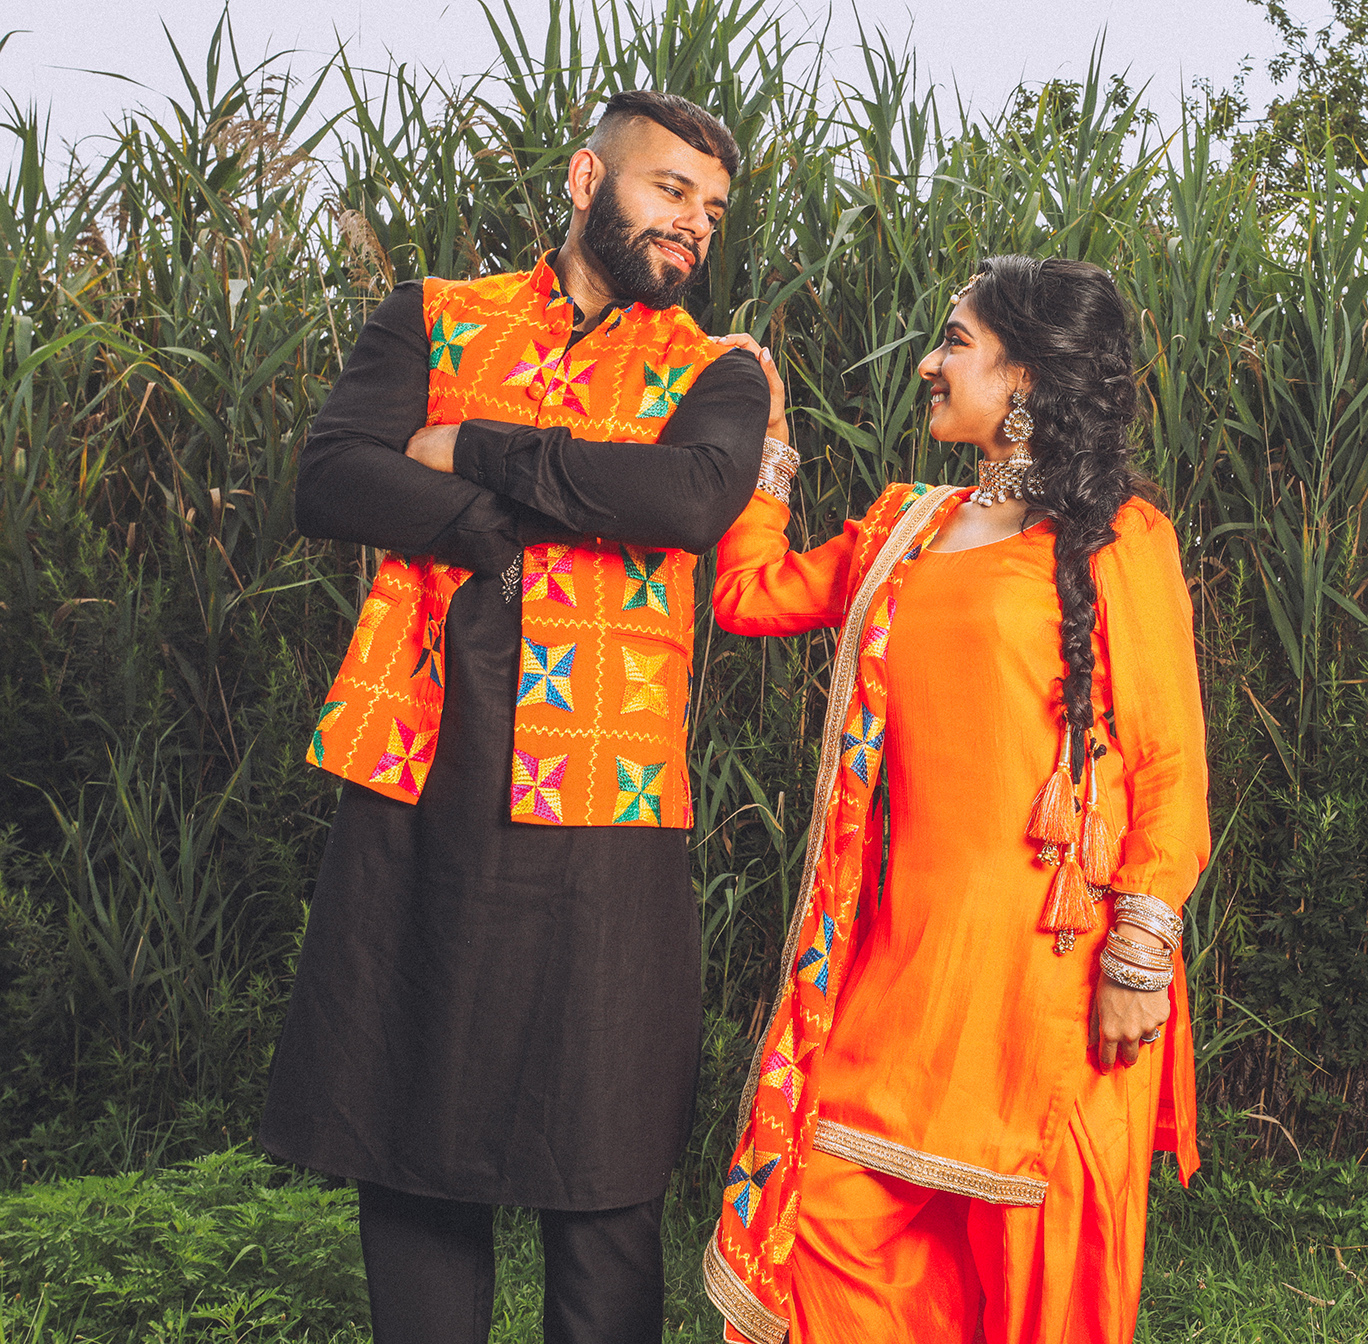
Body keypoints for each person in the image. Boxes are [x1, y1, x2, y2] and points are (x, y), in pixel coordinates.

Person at [259, 91, 773, 1344]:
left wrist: (474, 450)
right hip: (420, 766)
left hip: (608, 794)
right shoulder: (433, 314)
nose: (693, 224)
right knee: (410, 1136)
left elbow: (689, 501)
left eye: (711, 209)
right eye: (669, 191)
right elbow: (333, 476)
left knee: (601, 1155)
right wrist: (507, 535)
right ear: (589, 180)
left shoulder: (718, 370)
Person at [700, 255, 1209, 1343]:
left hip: (1054, 981)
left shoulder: (1120, 536)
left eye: (956, 342)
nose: (928, 364)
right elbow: (747, 596)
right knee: (826, 1225)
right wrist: (766, 445)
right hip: (904, 965)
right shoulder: (905, 528)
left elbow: (1169, 764)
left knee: (1036, 1285)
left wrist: (1140, 956)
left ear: (1025, 376)